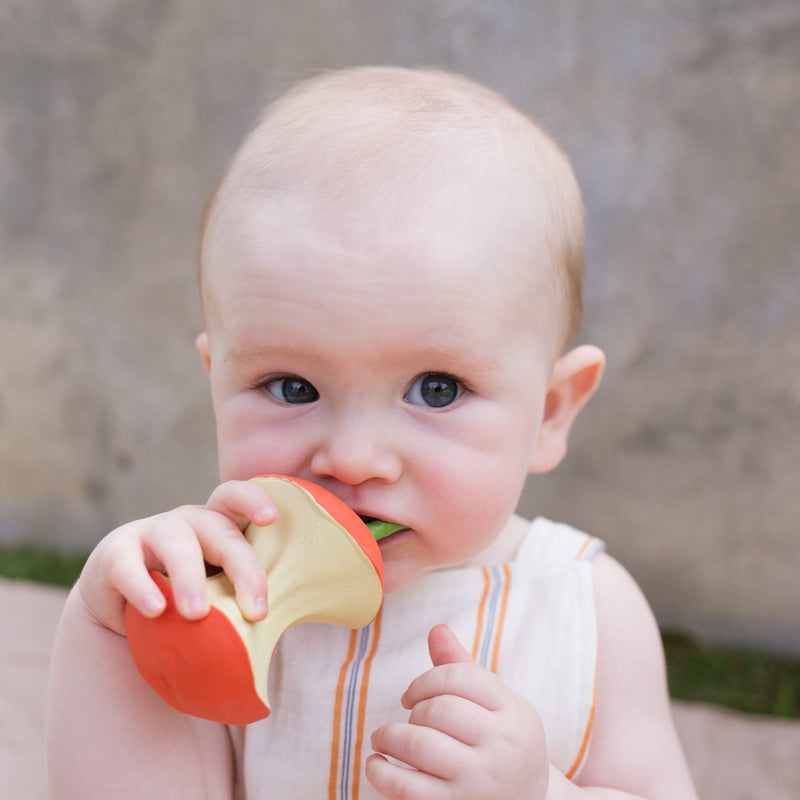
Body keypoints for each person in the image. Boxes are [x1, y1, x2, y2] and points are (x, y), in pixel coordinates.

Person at [46, 66, 698, 799]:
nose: (354, 459)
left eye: (437, 390)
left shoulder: (586, 609)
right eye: (292, 388)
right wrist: (107, 629)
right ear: (215, 382)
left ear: (549, 412)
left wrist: (541, 793)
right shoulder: (220, 594)